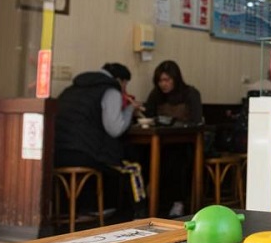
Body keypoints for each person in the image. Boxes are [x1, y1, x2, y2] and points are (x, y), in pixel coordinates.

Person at [54, 62, 146, 221]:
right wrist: (131, 109)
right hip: (85, 154)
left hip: (57, 153)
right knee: (133, 168)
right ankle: (141, 216)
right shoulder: (110, 91)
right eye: (125, 85)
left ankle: (89, 210)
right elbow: (115, 129)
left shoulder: (70, 90)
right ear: (120, 80)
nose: (124, 90)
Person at [143, 60, 203, 216]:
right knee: (141, 154)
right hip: (161, 142)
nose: (163, 84)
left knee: (176, 157)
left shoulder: (190, 93)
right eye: (160, 81)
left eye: (167, 80)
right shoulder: (156, 95)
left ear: (175, 79)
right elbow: (149, 115)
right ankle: (147, 202)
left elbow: (197, 120)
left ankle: (177, 202)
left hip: (187, 142)